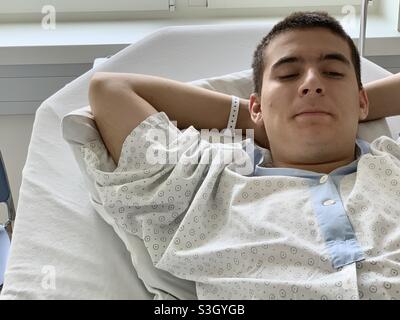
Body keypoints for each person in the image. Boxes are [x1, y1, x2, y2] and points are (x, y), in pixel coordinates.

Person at [86, 11, 400, 299]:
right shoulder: (208, 181)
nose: (312, 83)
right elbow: (111, 90)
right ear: (257, 106)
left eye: (332, 72)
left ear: (362, 101)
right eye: (289, 75)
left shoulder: (393, 163)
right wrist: (255, 120)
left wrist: (345, 106)